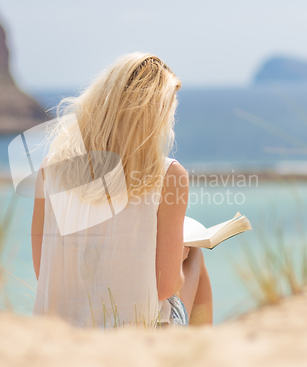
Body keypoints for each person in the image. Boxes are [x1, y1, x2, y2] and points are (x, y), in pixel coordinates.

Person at [31, 52, 213, 328]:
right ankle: (196, 364)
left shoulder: (49, 170)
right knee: (196, 259)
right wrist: (178, 256)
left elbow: (42, 270)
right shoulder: (168, 175)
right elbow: (166, 287)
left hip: (61, 333)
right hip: (135, 334)